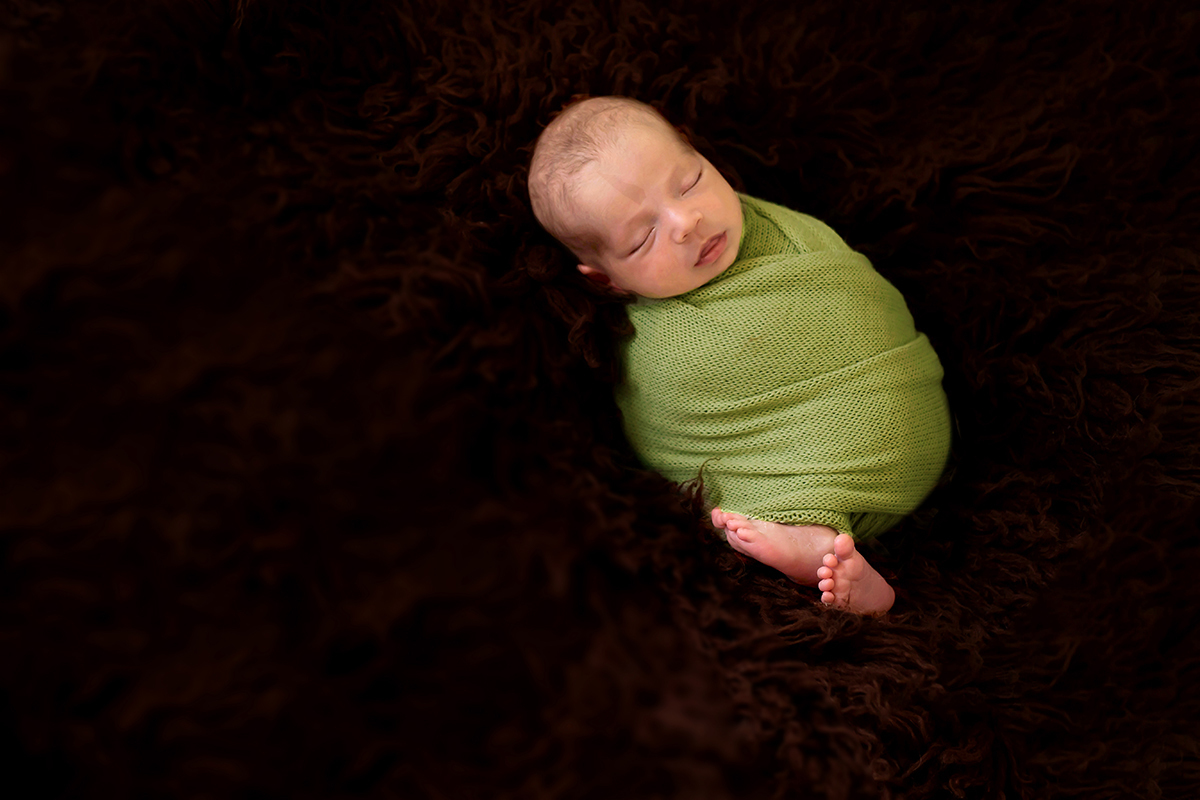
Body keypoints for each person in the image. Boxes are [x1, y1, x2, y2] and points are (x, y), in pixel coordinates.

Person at [527, 96, 953, 614]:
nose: (687, 220)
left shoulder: (776, 228)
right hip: (824, 478)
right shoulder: (656, 342)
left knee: (743, 520)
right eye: (643, 238)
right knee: (739, 525)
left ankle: (816, 535)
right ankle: (835, 558)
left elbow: (860, 305)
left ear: (704, 156)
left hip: (906, 417)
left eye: (689, 182)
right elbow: (669, 432)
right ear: (608, 281)